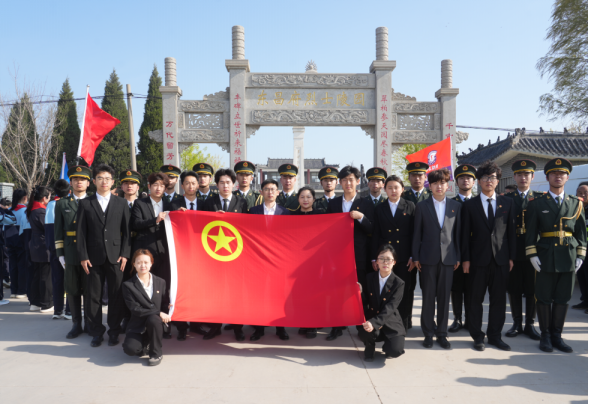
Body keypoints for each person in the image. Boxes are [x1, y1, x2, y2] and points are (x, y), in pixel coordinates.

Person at [526, 158, 587, 353]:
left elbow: (581, 234)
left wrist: (580, 255)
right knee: (543, 297)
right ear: (547, 177)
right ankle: (545, 335)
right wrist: (532, 254)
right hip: (544, 255)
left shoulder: (576, 203)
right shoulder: (536, 203)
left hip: (568, 256)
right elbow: (530, 233)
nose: (558, 176)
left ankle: (557, 336)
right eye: (554, 173)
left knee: (563, 298)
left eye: (562, 174)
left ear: (567, 178)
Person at [461, 160, 516, 352]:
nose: (489, 181)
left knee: (498, 300)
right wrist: (466, 259)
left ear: (498, 180)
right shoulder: (470, 205)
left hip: (501, 260)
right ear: (479, 181)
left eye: (492, 177)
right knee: (475, 300)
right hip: (477, 260)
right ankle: (477, 336)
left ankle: (495, 336)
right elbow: (464, 235)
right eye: (485, 177)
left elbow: (511, 233)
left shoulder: (508, 203)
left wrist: (511, 257)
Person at [77, 163, 131, 347]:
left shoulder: (121, 203)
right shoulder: (85, 203)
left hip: (116, 257)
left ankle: (114, 331)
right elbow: (81, 233)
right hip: (93, 257)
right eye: (100, 178)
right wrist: (83, 256)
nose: (104, 182)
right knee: (93, 296)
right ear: (94, 181)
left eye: (107, 178)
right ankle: (96, 332)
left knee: (116, 295)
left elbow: (127, 232)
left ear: (113, 182)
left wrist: (125, 254)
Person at [130, 172, 185, 340]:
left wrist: (182, 214)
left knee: (164, 289)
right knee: (146, 289)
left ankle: (165, 325)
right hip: (145, 254)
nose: (158, 188)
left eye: (162, 186)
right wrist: (155, 219)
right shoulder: (140, 203)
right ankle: (145, 324)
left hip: (165, 254)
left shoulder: (171, 204)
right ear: (149, 187)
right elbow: (135, 224)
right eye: (155, 185)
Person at [412, 168, 461, 349]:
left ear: (447, 185)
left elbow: (457, 235)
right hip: (427, 258)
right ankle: (428, 333)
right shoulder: (422, 206)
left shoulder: (456, 206)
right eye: (435, 183)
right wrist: (416, 257)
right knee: (428, 298)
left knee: (444, 298)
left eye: (442, 183)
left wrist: (458, 256)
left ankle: (442, 333)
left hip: (448, 259)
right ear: (429, 186)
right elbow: (417, 234)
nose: (439, 186)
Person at [326, 165, 374, 341]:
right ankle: (337, 326)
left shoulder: (366, 203)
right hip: (337, 257)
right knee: (336, 292)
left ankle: (361, 325)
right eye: (344, 180)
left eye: (351, 180)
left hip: (359, 255)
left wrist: (361, 218)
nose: (348, 183)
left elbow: (372, 229)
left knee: (360, 291)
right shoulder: (333, 204)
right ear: (340, 182)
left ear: (358, 181)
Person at [202, 168, 248, 341]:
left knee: (236, 292)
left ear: (234, 184)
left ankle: (238, 327)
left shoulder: (241, 202)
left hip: (236, 255)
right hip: (214, 255)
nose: (225, 186)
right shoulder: (209, 202)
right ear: (216, 184)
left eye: (228, 182)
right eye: (221, 182)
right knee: (215, 292)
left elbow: (246, 228)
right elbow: (201, 225)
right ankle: (215, 327)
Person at [503, 160, 543, 340]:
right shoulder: (506, 199)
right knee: (514, 289)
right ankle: (517, 323)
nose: (523, 177)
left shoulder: (540, 198)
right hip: (514, 250)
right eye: (519, 174)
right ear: (514, 177)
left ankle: (530, 324)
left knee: (532, 289)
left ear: (532, 176)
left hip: (534, 250)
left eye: (526, 174)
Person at [371, 175, 415, 330]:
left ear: (402, 189)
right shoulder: (380, 208)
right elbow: (376, 234)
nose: (393, 190)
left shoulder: (410, 206)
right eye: (389, 187)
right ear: (385, 190)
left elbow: (414, 233)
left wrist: (413, 256)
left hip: (405, 256)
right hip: (385, 257)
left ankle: (404, 323)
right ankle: (385, 323)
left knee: (405, 290)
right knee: (385, 290)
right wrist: (374, 258)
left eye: (396, 187)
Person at [249, 179, 290, 341]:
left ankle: (280, 328)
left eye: (273, 189)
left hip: (278, 261)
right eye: (266, 189)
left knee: (279, 295)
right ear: (261, 192)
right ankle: (259, 328)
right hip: (258, 260)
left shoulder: (285, 213)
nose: (270, 192)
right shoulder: (253, 211)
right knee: (259, 295)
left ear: (278, 192)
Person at [55, 165, 91, 339]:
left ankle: (90, 323)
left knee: (90, 290)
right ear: (71, 183)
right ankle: (76, 324)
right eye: (75, 179)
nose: (79, 182)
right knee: (72, 289)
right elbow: (58, 230)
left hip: (90, 252)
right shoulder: (62, 204)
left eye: (82, 179)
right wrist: (60, 254)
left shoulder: (94, 202)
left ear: (88, 183)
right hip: (70, 251)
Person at [122, 249, 170, 367]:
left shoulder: (161, 282)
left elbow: (164, 303)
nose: (142, 265)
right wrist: (158, 312)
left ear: (151, 263)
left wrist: (168, 307)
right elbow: (135, 309)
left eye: (146, 262)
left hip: (155, 323)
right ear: (134, 264)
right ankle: (146, 343)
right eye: (139, 262)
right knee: (130, 349)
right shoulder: (128, 285)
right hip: (137, 324)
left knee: (153, 319)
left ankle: (156, 353)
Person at [359, 244, 406, 362]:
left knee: (395, 350)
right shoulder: (369, 278)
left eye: (388, 259)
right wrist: (359, 292)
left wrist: (375, 322)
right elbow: (365, 301)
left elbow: (390, 307)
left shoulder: (399, 283)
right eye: (381, 258)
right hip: (372, 317)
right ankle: (370, 346)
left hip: (390, 321)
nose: (385, 262)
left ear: (394, 262)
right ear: (377, 261)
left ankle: (388, 346)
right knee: (364, 330)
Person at [402, 161, 432, 328]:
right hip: (408, 251)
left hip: (428, 249)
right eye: (414, 175)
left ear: (425, 177)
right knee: (408, 287)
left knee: (429, 288)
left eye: (420, 175)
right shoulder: (403, 197)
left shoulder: (432, 196)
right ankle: (406, 320)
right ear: (409, 177)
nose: (417, 178)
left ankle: (428, 321)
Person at [292, 186, 323, 338]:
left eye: (308, 197)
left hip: (315, 261)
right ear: (298, 199)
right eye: (302, 197)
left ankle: (313, 324)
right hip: (296, 262)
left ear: (314, 199)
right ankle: (303, 322)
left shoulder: (322, 215)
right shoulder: (291, 216)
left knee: (314, 294)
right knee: (299, 293)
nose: (305, 200)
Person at [448, 164, 476, 333]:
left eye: (469, 178)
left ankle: (470, 319)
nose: (465, 181)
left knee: (473, 288)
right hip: (456, 252)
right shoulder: (451, 203)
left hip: (475, 252)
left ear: (474, 181)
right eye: (462, 178)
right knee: (456, 287)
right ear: (456, 182)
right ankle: (457, 318)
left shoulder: (479, 202)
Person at [45, 179, 71, 319]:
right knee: (70, 279)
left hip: (53, 247)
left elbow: (49, 229)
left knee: (57, 279)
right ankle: (69, 310)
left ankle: (57, 310)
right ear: (69, 191)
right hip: (67, 247)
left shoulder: (50, 204)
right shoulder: (68, 204)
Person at [26, 186, 53, 313]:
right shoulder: (41, 211)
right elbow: (47, 229)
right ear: (44, 198)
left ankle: (35, 303)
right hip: (43, 246)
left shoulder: (33, 209)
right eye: (49, 197)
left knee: (37, 276)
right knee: (45, 276)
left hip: (36, 246)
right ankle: (46, 303)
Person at [572, 181, 588, 310]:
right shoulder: (575, 208)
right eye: (579, 193)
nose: (582, 195)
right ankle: (585, 300)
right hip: (579, 248)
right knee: (581, 275)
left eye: (585, 193)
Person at [5, 191, 24, 299]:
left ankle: (13, 290)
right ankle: (21, 291)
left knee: (13, 266)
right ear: (25, 197)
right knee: (22, 266)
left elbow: (4, 227)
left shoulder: (8, 211)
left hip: (10, 241)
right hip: (21, 241)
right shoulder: (25, 210)